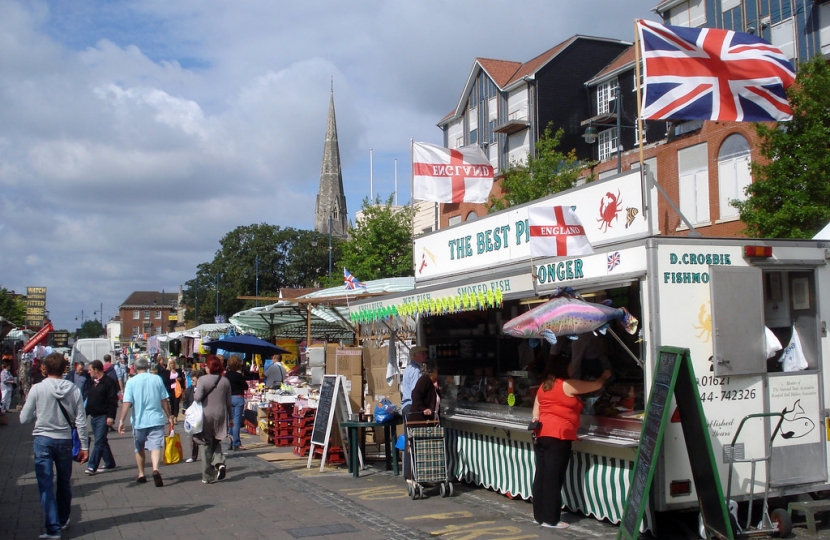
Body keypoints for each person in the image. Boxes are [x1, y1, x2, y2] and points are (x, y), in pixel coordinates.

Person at [530, 359, 611, 529]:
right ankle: (551, 519)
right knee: (554, 477)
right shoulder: (566, 384)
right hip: (559, 435)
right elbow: (595, 385)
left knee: (542, 476)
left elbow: (536, 407)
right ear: (563, 368)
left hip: (541, 433)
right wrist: (605, 375)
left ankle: (539, 516)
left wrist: (536, 421)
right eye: (569, 364)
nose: (572, 367)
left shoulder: (544, 386)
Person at [19, 352, 89, 539]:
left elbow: (23, 418)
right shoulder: (73, 389)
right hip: (64, 439)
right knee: (64, 482)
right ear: (63, 369)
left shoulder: (37, 389)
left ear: (45, 369)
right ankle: (63, 519)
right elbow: (81, 421)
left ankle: (52, 529)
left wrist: (39, 413)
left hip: (43, 439)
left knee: (45, 484)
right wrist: (84, 446)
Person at [118, 357, 173, 487]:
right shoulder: (157, 379)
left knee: (139, 447)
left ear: (135, 368)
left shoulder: (131, 382)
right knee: (155, 446)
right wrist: (169, 415)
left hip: (139, 421)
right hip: (156, 419)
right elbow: (164, 400)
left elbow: (127, 402)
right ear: (148, 367)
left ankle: (141, 473)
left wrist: (121, 420)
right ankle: (155, 469)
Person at [194, 354, 231, 484]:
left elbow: (197, 398)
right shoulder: (225, 381)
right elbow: (228, 402)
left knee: (205, 444)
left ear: (208, 367)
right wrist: (230, 418)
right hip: (221, 414)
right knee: (216, 441)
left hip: (205, 415)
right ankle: (220, 463)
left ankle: (208, 475)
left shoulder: (202, 380)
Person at [84, 360, 119, 475]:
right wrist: (84, 414)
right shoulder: (93, 382)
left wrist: (111, 416)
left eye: (90, 370)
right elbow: (90, 400)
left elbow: (112, 401)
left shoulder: (108, 382)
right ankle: (110, 463)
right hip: (94, 416)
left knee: (98, 442)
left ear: (96, 370)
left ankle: (92, 466)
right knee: (102, 441)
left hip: (103, 416)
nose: (88, 372)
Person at [401, 346, 427, 484]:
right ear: (415, 355)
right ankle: (414, 474)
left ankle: (409, 474)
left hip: (406, 405)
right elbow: (416, 393)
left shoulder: (408, 369)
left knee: (409, 441)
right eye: (422, 353)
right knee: (415, 441)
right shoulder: (416, 371)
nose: (425, 355)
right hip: (412, 407)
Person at [224, 355, 248, 451]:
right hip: (238, 397)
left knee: (230, 421)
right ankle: (237, 443)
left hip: (229, 398)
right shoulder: (238, 376)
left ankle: (230, 442)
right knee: (237, 421)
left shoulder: (227, 375)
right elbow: (245, 386)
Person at [182, 369, 204, 463]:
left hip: (203, 415)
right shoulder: (189, 390)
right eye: (191, 380)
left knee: (203, 436)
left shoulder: (203, 389)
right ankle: (193, 456)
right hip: (192, 416)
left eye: (194, 380)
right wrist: (185, 410)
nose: (192, 382)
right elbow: (186, 401)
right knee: (193, 436)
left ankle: (207, 455)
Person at [166, 358, 183, 423]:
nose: (172, 365)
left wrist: (183, 388)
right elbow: (166, 381)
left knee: (177, 403)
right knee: (172, 403)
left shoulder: (179, 370)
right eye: (171, 363)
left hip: (177, 389)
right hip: (171, 389)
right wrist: (175, 380)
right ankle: (172, 415)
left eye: (173, 363)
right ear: (169, 365)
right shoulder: (167, 372)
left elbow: (182, 379)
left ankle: (175, 417)